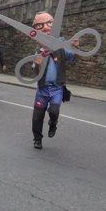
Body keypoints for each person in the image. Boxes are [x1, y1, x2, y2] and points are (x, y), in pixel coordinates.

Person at [28, 11, 79, 150]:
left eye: (49, 24)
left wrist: (74, 46)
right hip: (43, 89)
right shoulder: (37, 53)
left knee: (54, 111)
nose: (45, 28)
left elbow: (72, 56)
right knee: (37, 116)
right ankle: (37, 139)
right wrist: (37, 64)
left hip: (57, 88)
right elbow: (36, 74)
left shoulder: (60, 49)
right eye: (40, 26)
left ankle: (53, 123)